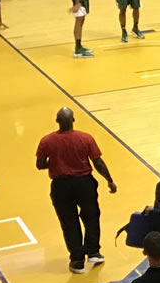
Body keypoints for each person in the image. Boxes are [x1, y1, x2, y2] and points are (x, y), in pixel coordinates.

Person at [36, 106, 116, 273]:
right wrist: (110, 180)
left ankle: (77, 260)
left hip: (61, 186)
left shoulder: (46, 141)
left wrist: (57, 162)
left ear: (57, 121)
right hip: (84, 183)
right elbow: (98, 162)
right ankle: (93, 251)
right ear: (73, 120)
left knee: (69, 222)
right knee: (91, 216)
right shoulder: (85, 138)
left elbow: (40, 165)